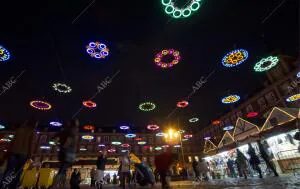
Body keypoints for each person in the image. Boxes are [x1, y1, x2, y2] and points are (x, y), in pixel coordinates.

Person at [0, 118, 37, 189]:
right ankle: (13, 186)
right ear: (34, 124)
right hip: (23, 153)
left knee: (9, 169)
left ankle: (3, 185)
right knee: (18, 171)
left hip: (13, 152)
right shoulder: (32, 131)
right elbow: (31, 144)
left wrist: (8, 151)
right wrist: (30, 154)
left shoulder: (20, 129)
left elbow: (13, 141)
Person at [51, 119, 79, 188]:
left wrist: (58, 145)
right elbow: (69, 140)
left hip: (64, 152)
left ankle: (60, 185)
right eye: (77, 122)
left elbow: (54, 139)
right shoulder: (72, 131)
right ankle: (55, 185)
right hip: (68, 152)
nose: (78, 123)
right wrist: (65, 148)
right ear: (74, 124)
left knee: (63, 169)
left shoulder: (64, 131)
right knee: (63, 169)